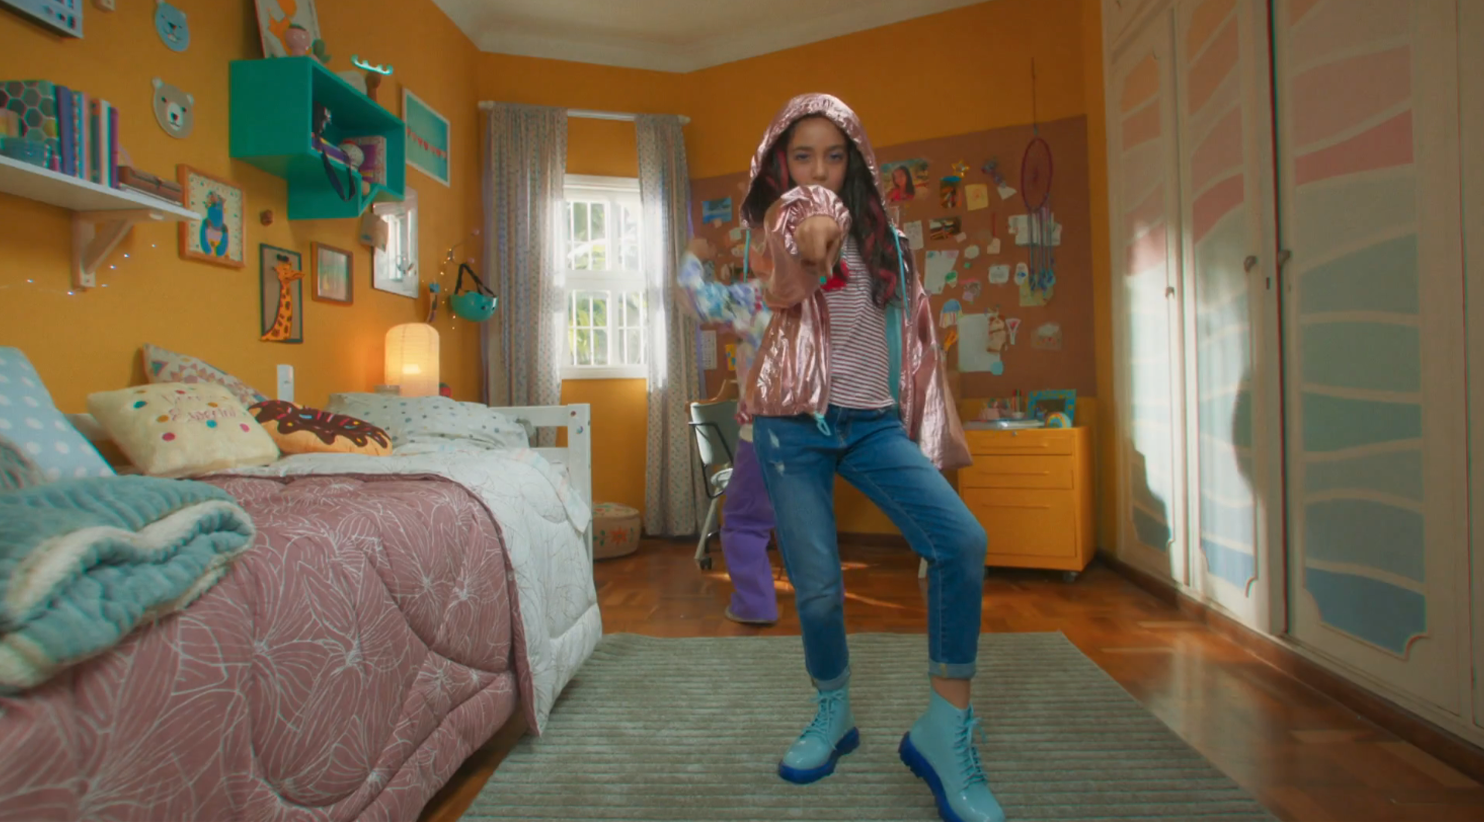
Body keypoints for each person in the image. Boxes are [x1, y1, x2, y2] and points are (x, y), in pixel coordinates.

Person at [677, 93, 1001, 822]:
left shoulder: (892, 244)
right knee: (819, 590)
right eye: (802, 156)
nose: (818, 169)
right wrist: (806, 230)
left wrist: (925, 428)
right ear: (781, 164)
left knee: (961, 541)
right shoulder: (781, 231)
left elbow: (914, 346)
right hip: (790, 430)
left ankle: (945, 730)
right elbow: (803, 234)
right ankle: (834, 712)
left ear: (855, 159)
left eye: (833, 154)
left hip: (872, 425)